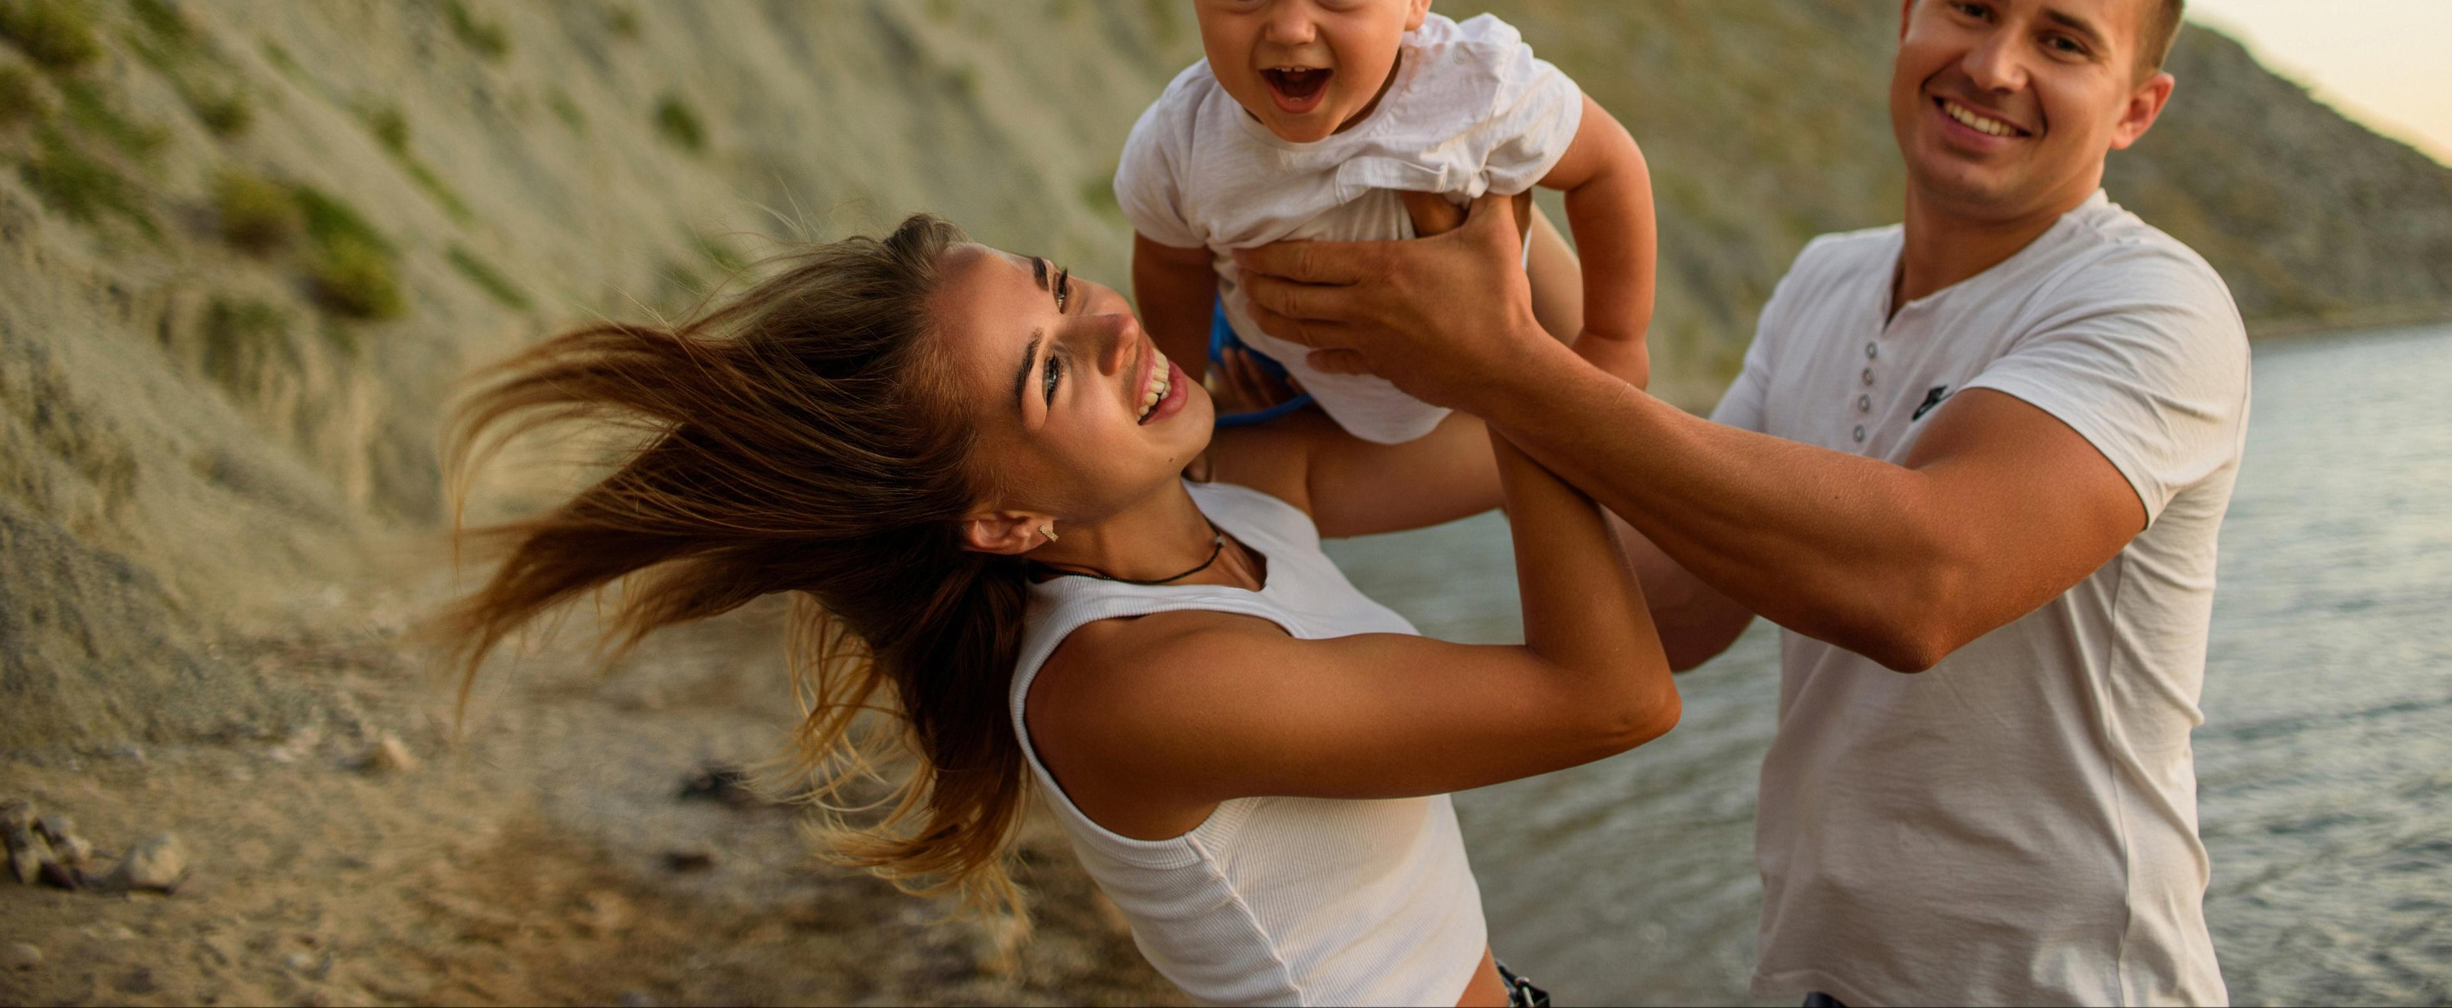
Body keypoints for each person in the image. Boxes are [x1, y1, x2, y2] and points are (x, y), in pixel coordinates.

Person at [1237, 0, 2253, 1007]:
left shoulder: (2153, 303)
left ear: (2134, 105)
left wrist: (1503, 365)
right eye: (1971, 7)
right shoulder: (1826, 279)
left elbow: (1920, 584)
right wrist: (1484, 237)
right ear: (1909, 13)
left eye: (2064, 41)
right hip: (1816, 974)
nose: (1995, 64)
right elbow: (1671, 610)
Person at [439, 212, 1677, 1008]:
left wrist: (1469, 171)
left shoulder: (1248, 496)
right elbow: (1615, 696)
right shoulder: (1128, 685)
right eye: (1047, 369)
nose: (1105, 323)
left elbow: (1594, 404)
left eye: (1055, 285)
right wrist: (1496, 362)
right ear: (1002, 521)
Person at [1117, 0, 1656, 443]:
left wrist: (1615, 340)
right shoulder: (1183, 137)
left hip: (1475, 387)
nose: (1289, 26)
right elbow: (1167, 259)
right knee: (1253, 473)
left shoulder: (1474, 86)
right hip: (1291, 387)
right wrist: (1192, 393)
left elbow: (1609, 166)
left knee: (1576, 451)